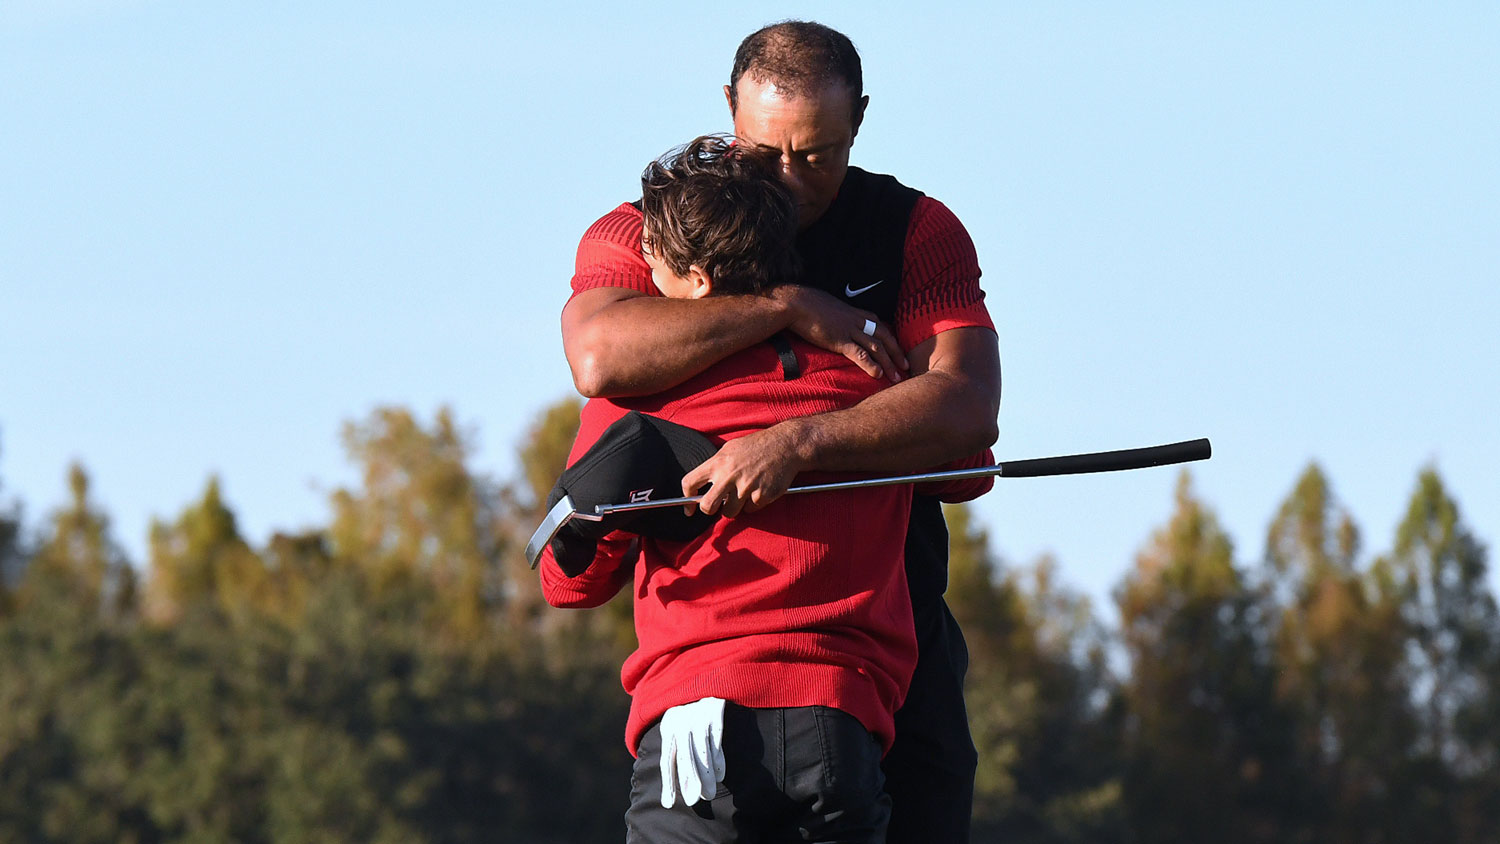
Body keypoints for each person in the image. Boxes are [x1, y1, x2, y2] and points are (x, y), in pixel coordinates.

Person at [560, 22, 1000, 842]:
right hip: (717, 663)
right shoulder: (649, 233)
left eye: (818, 155)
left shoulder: (915, 230)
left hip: (889, 630)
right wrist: (789, 306)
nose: (793, 184)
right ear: (730, 109)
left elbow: (968, 413)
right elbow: (597, 356)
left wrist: (797, 444)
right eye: (767, 156)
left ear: (859, 120)